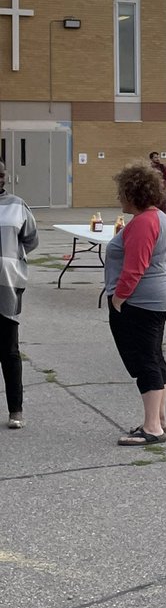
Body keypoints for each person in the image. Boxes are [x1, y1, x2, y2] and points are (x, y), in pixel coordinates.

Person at [104, 162, 166, 446]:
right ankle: (160, 418)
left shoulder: (144, 223)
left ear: (133, 193)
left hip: (141, 301)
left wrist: (118, 299)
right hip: (158, 297)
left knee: (143, 360)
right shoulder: (159, 217)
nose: (118, 197)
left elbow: (135, 267)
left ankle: (152, 429)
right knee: (155, 356)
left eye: (121, 191)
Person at [0, 160, 38, 430]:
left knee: (9, 351)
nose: (0, 178)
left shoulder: (17, 205)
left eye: (1, 174)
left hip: (7, 286)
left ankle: (16, 410)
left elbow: (31, 239)